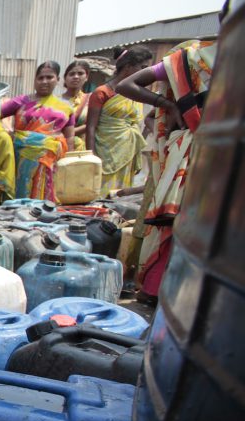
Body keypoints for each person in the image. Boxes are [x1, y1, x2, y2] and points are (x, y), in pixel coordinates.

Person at [117, 34, 220, 303]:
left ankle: (163, 290)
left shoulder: (192, 57)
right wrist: (169, 105)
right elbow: (126, 85)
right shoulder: (190, 57)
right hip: (201, 152)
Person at [1, 61, 75, 200]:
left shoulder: (65, 107)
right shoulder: (21, 101)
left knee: (46, 196)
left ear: (58, 80)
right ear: (34, 80)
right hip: (21, 159)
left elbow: (70, 136)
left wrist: (68, 161)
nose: (44, 81)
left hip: (51, 160)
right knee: (20, 195)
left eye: (49, 77)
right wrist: (6, 134)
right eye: (40, 78)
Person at [85, 46, 153, 196]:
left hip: (127, 153)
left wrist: (137, 153)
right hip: (104, 153)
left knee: (120, 196)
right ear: (128, 67)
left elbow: (138, 124)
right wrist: (92, 158)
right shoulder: (102, 92)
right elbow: (90, 128)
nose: (146, 72)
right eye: (143, 68)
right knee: (99, 195)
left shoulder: (138, 93)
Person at [61, 59, 91, 150]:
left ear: (86, 77)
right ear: (65, 78)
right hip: (59, 146)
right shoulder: (57, 100)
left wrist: (68, 133)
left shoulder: (91, 99)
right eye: (71, 74)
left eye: (80, 73)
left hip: (82, 149)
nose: (76, 77)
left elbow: (92, 124)